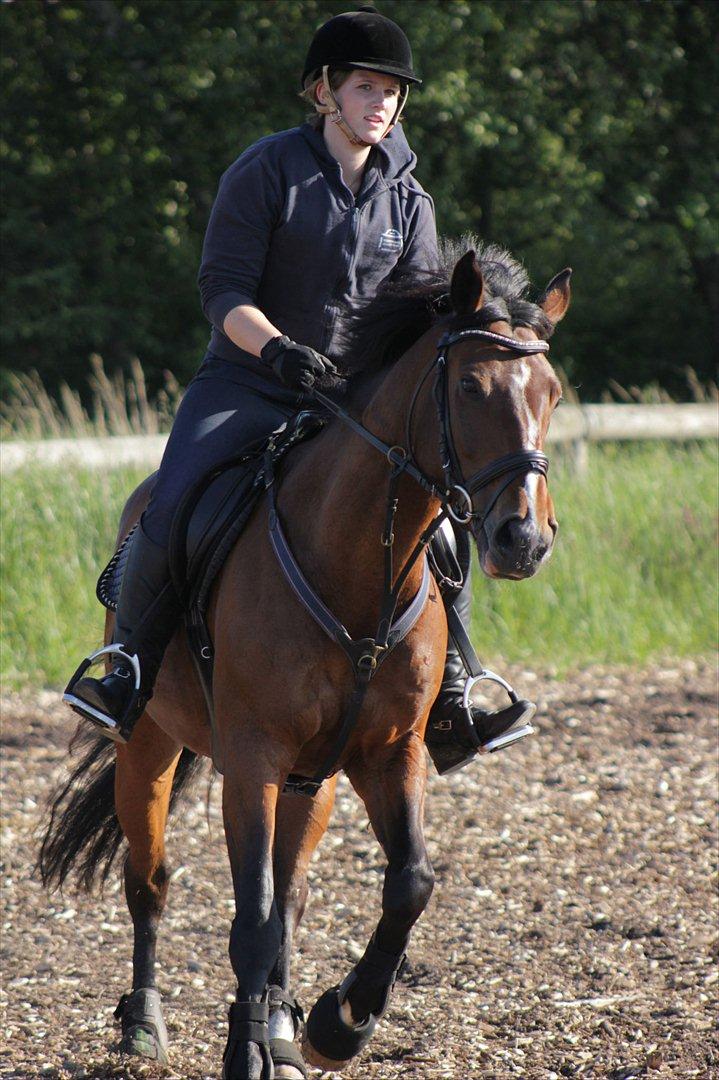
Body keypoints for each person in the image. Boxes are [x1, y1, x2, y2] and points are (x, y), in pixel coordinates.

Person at [63, 6, 533, 772]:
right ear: (324, 92)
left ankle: (451, 693)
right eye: (363, 87)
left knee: (441, 524)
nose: (379, 103)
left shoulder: (409, 199)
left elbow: (419, 314)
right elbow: (222, 290)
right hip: (249, 380)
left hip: (349, 404)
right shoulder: (266, 171)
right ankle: (127, 671)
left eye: (391, 92)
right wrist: (278, 350)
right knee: (174, 499)